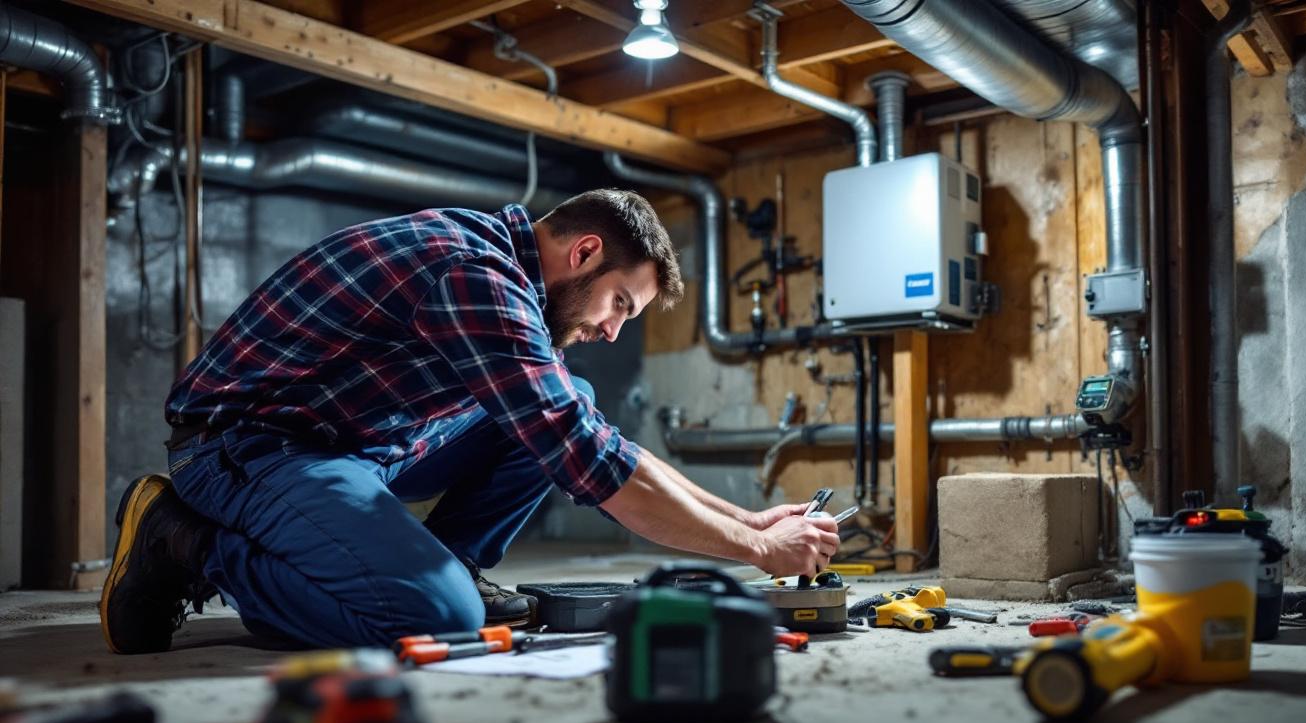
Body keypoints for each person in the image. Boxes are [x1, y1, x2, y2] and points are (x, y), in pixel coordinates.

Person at [99, 190, 839, 654]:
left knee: (566, 398)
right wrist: (758, 550)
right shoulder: (475, 275)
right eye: (620, 303)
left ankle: (440, 570)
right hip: (245, 446)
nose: (616, 329)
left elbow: (596, 439)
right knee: (434, 620)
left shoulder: (505, 278)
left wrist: (748, 517)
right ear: (584, 252)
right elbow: (589, 460)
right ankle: (188, 542)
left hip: (350, 446)